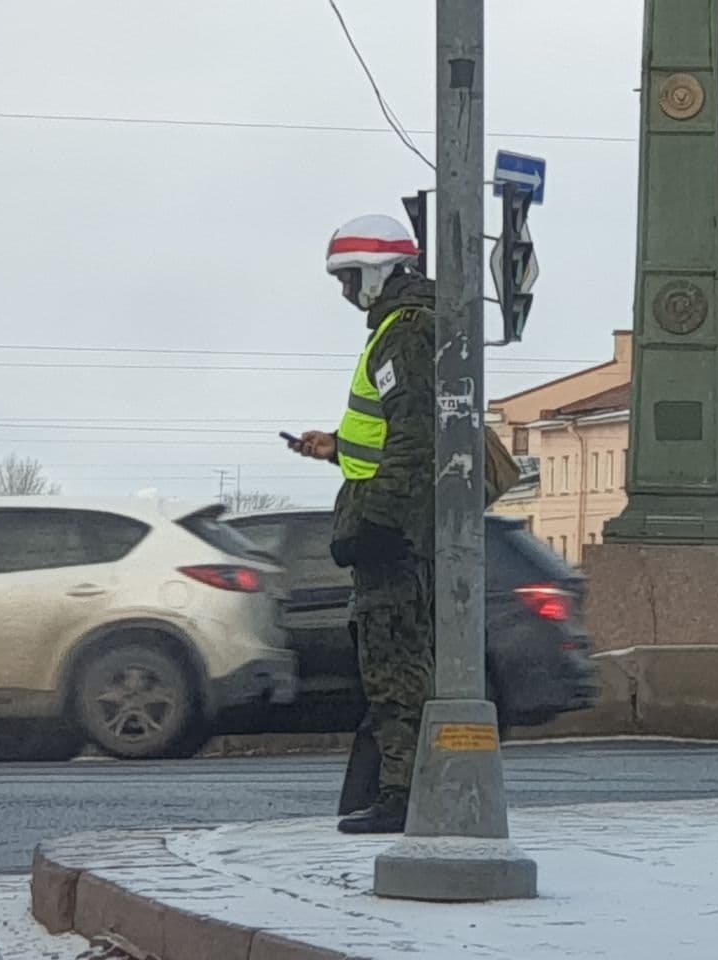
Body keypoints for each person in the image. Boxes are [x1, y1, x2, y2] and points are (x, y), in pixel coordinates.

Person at [288, 213, 435, 835]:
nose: (348, 293)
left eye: (351, 279)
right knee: (391, 664)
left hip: (394, 536)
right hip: (399, 527)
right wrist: (338, 447)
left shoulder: (405, 333)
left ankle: (401, 796)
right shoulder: (400, 329)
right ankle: (395, 790)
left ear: (379, 271)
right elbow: (386, 437)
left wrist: (376, 520)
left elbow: (413, 438)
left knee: (394, 667)